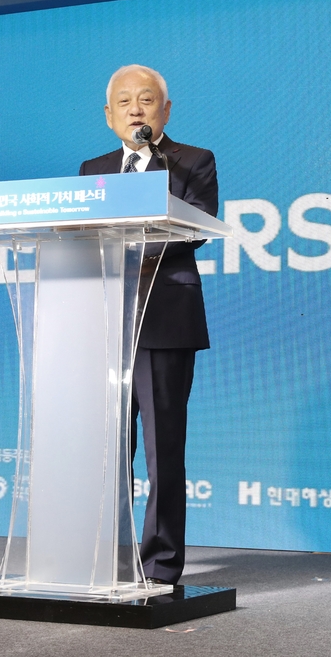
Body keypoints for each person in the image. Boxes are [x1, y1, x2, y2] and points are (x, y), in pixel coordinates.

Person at [78, 65, 218, 585]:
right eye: (124, 101)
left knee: (162, 449)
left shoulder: (191, 161)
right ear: (109, 113)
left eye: (145, 99)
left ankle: (159, 564)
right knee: (108, 449)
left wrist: (127, 246)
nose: (135, 109)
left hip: (163, 320)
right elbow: (81, 236)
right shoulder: (93, 168)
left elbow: (195, 228)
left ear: (165, 110)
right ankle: (105, 557)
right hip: (104, 320)